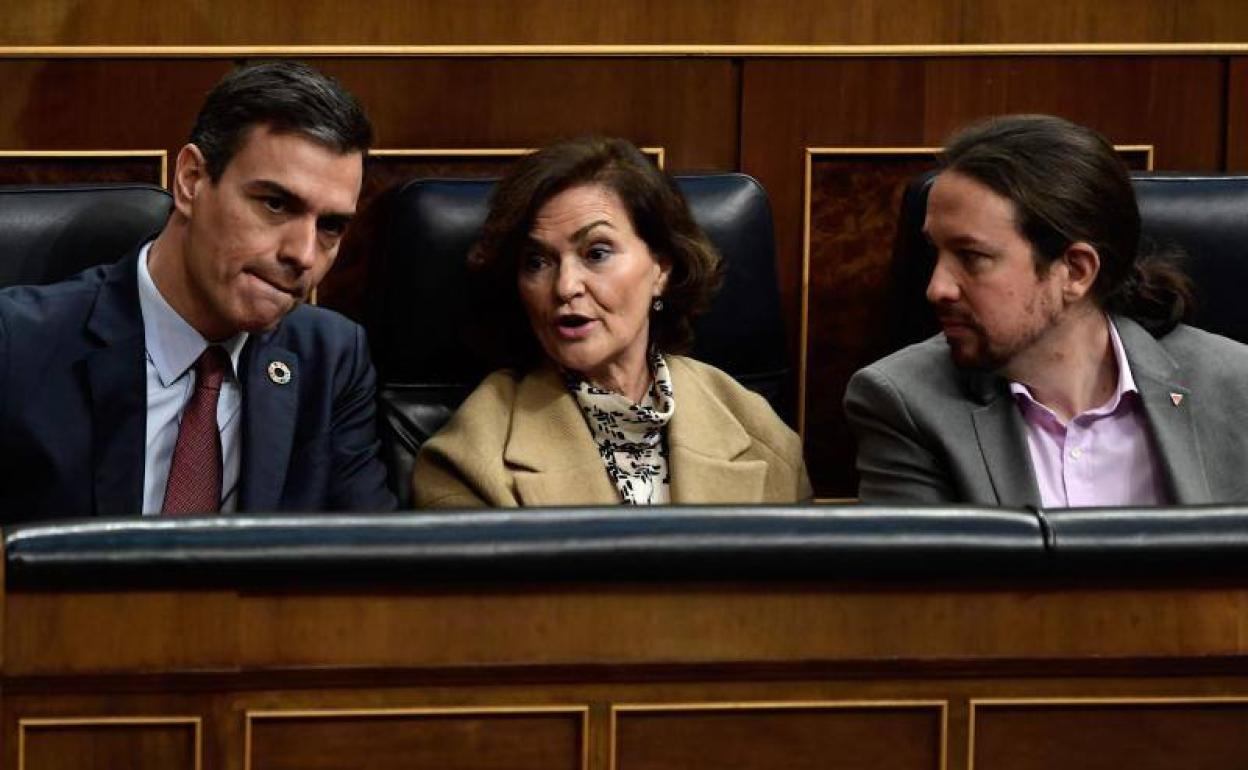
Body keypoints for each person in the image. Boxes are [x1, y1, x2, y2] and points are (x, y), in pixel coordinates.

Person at [0, 60, 396, 518]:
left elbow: (369, 569)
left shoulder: (330, 359)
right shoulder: (18, 345)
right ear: (190, 181)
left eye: (330, 226)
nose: (304, 255)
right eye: (275, 203)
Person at [845, 113, 1248, 507]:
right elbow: (925, 573)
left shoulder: (1232, 386)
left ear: (1075, 271)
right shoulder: (905, 403)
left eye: (971, 257)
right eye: (936, 252)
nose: (937, 289)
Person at [413, 136, 810, 506]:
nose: (565, 286)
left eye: (597, 253)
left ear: (661, 268)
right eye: (537, 262)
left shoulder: (757, 432)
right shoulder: (469, 459)